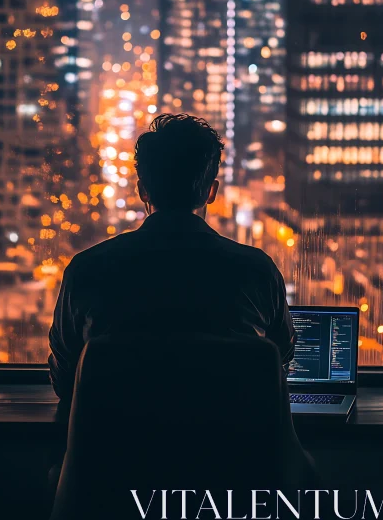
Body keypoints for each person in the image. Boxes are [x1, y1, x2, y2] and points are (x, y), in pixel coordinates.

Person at [48, 113, 316, 486]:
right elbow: (277, 369)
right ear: (211, 191)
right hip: (229, 483)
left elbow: (66, 380)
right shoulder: (257, 272)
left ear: (143, 190)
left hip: (116, 485)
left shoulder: (87, 271)